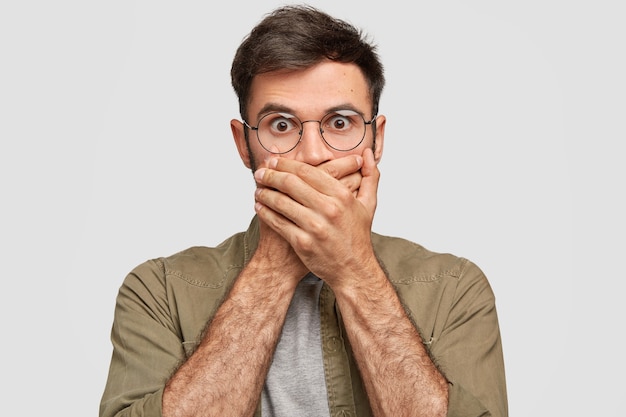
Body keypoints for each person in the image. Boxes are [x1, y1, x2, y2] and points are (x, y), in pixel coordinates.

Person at [100, 5, 508, 417]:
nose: (312, 155)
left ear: (376, 140)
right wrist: (274, 267)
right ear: (244, 145)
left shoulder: (456, 289)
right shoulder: (159, 291)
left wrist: (354, 270)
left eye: (340, 122)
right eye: (280, 125)